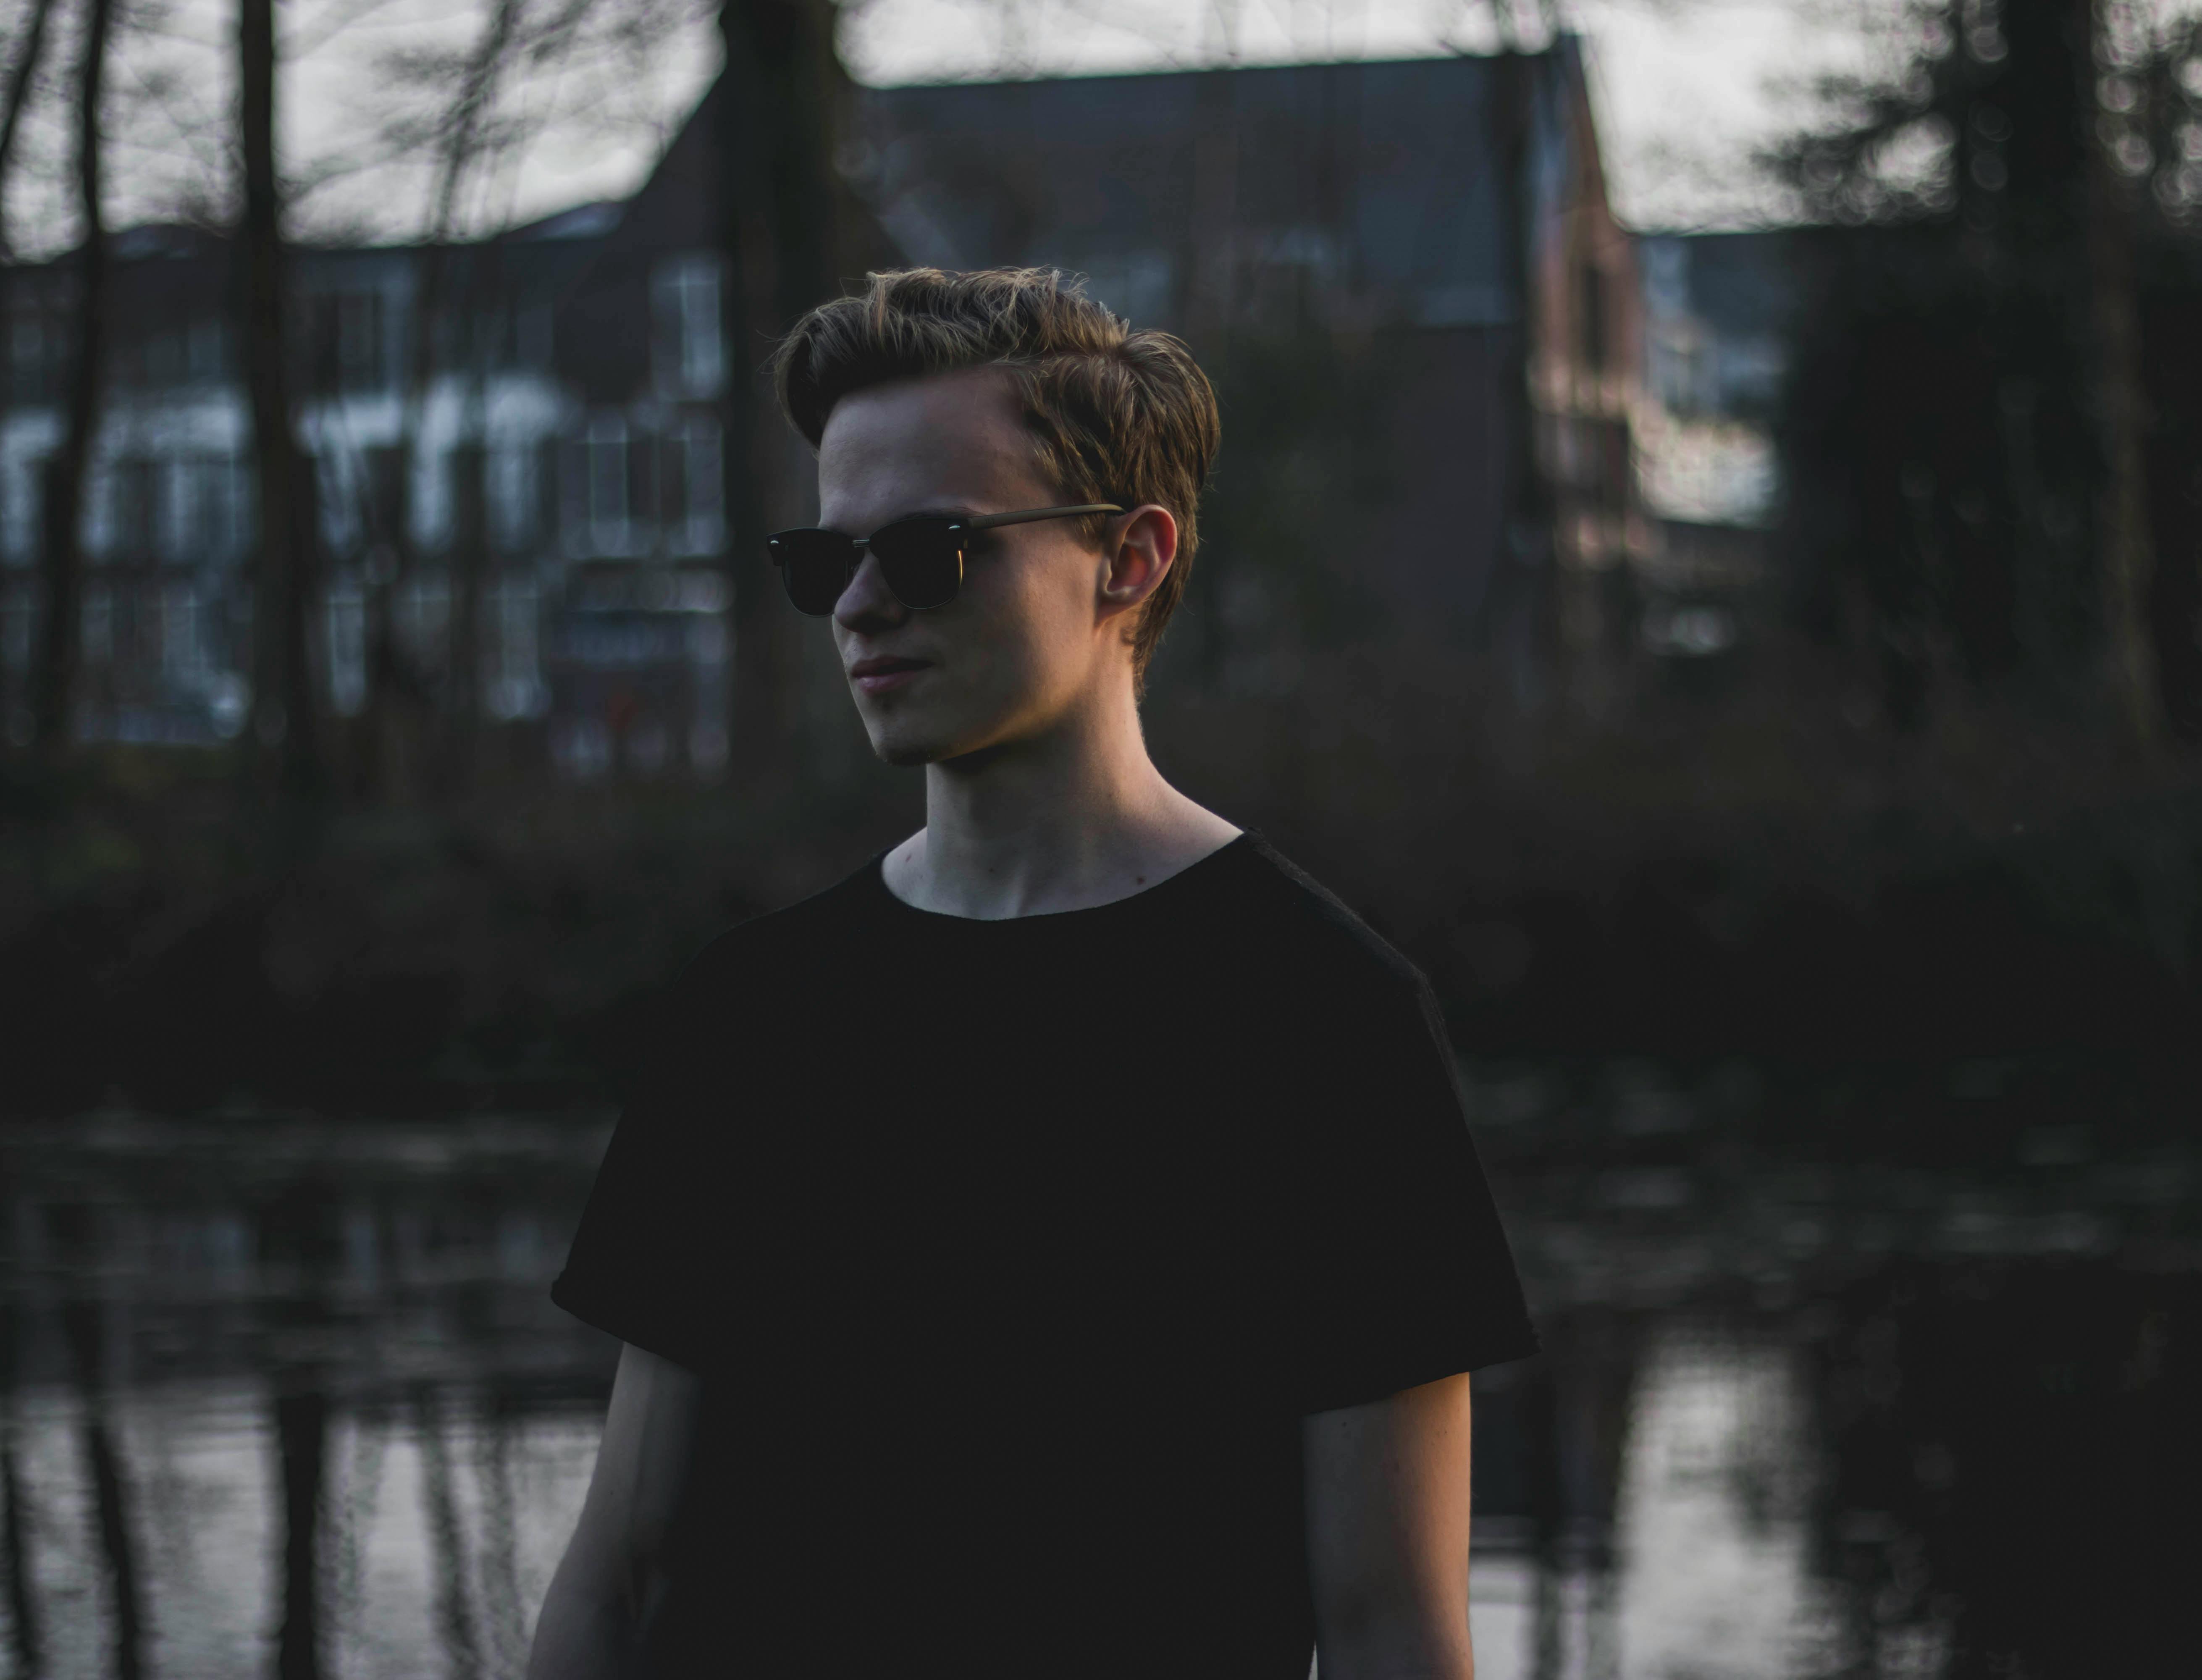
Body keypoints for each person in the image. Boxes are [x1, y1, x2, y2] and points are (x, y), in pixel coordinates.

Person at [526, 268, 1535, 1679]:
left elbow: (1392, 1630)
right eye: (826, 561)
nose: (860, 606)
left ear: (1130, 559)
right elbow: (622, 1578)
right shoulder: (757, 1012)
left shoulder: (1322, 1018)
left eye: (929, 549)